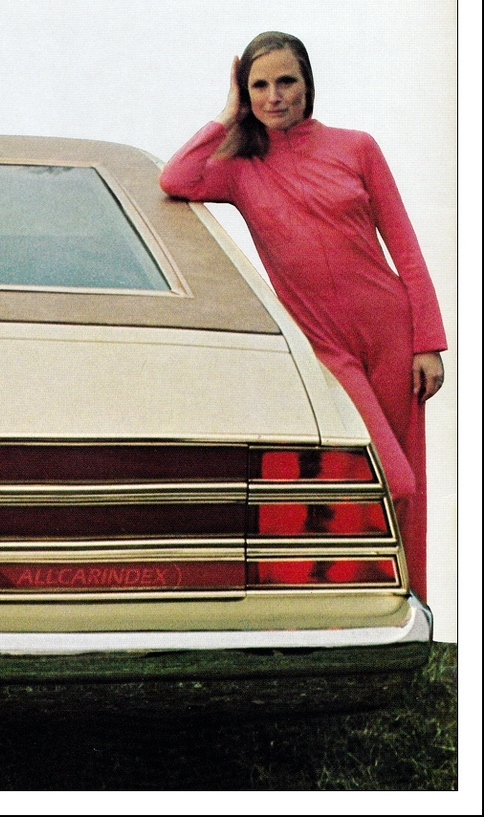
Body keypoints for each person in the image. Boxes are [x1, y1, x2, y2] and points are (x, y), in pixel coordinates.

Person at [159, 31, 446, 600]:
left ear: (308, 83)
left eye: (286, 81)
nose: (275, 96)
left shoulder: (357, 147)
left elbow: (405, 247)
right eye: (259, 85)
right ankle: (344, 604)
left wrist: (427, 342)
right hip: (326, 347)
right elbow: (176, 178)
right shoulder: (240, 169)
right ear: (246, 93)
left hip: (391, 331)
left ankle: (409, 609)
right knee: (386, 481)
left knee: (409, 489)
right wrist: (227, 114)